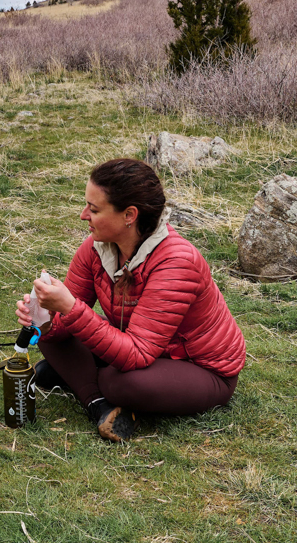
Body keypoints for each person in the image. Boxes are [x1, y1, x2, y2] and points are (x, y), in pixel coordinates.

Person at [16, 158, 244, 442]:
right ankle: (99, 406)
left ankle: (82, 378)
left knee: (118, 381)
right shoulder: (96, 248)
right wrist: (44, 319)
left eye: (94, 209)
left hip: (201, 368)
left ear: (129, 215)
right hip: (139, 346)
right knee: (50, 338)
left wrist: (70, 308)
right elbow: (64, 326)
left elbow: (137, 354)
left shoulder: (176, 262)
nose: (83, 215)